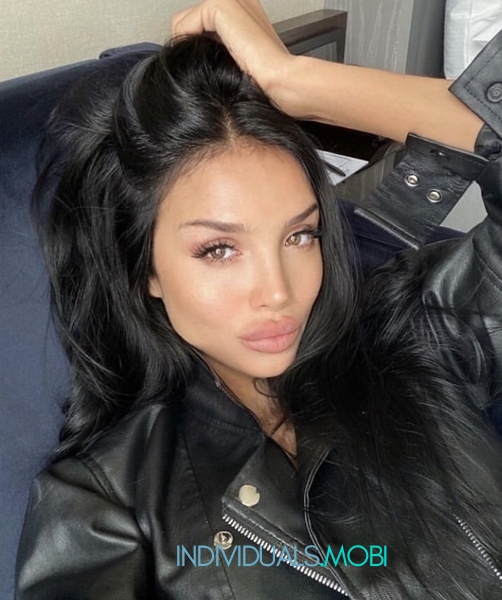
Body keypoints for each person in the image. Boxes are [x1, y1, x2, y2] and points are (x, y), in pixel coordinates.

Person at [15, 1, 502, 598]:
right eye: (219, 249)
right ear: (145, 267)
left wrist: (299, 82)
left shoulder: (414, 336)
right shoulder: (105, 503)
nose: (278, 292)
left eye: (300, 236)